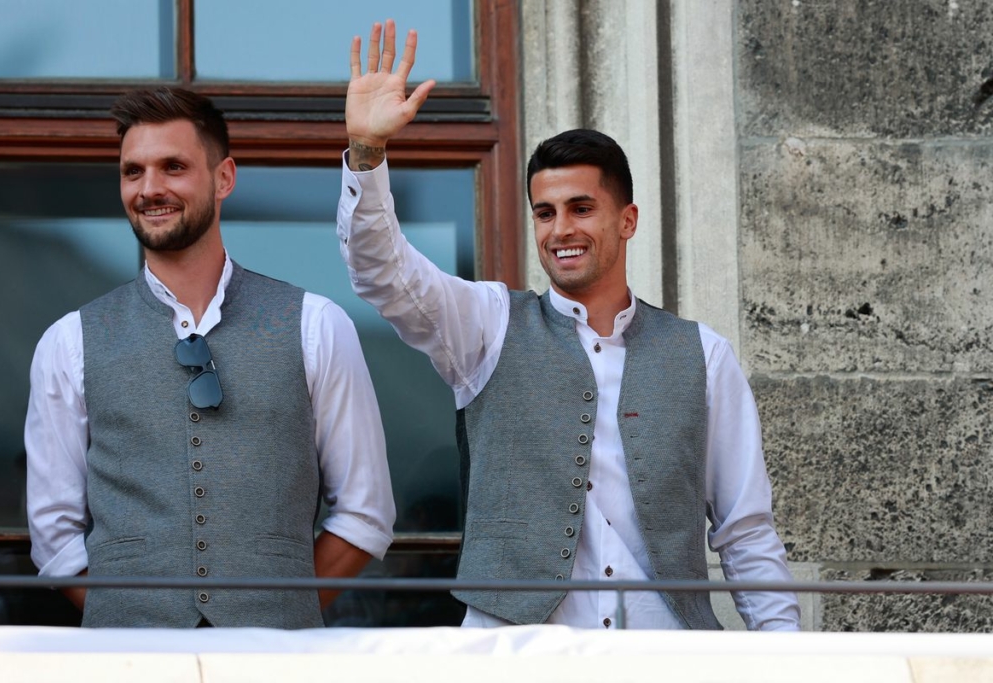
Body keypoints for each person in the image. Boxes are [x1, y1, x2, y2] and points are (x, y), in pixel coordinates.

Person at [337, 20, 800, 630]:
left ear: (627, 220)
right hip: (516, 655)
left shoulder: (704, 355)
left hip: (665, 658)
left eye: (582, 209)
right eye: (545, 213)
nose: (561, 231)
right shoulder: (489, 326)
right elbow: (383, 271)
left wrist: (786, 653)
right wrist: (367, 153)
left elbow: (745, 531)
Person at [25, 87, 395, 628]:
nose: (150, 188)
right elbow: (54, 536)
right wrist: (127, 622)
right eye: (133, 172)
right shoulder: (68, 341)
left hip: (276, 662)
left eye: (173, 167)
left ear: (224, 178)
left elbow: (365, 514)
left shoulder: (317, 324)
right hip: (131, 665)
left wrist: (282, 618)